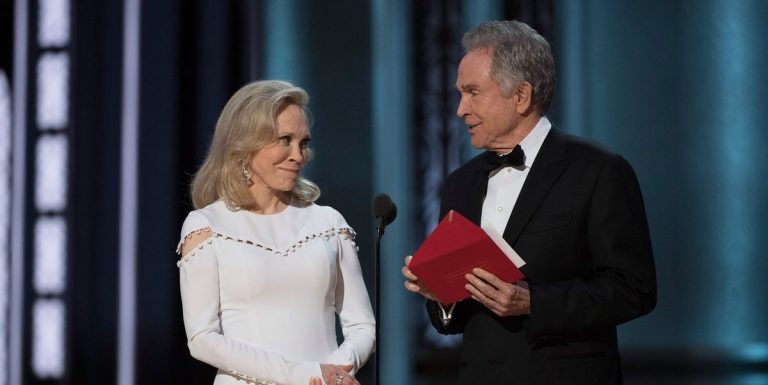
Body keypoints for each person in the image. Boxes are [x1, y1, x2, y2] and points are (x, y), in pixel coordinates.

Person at [402, 20, 656, 384]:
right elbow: (451, 322)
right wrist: (441, 296)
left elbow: (634, 289)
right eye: (460, 94)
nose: (460, 109)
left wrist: (534, 302)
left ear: (520, 96)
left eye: (473, 92)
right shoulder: (460, 184)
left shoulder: (599, 170)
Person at [177, 80, 375, 385]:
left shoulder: (329, 223)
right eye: (284, 139)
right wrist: (302, 375)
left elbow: (362, 326)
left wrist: (333, 373)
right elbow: (202, 338)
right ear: (244, 145)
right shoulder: (206, 226)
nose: (298, 155)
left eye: (303, 142)